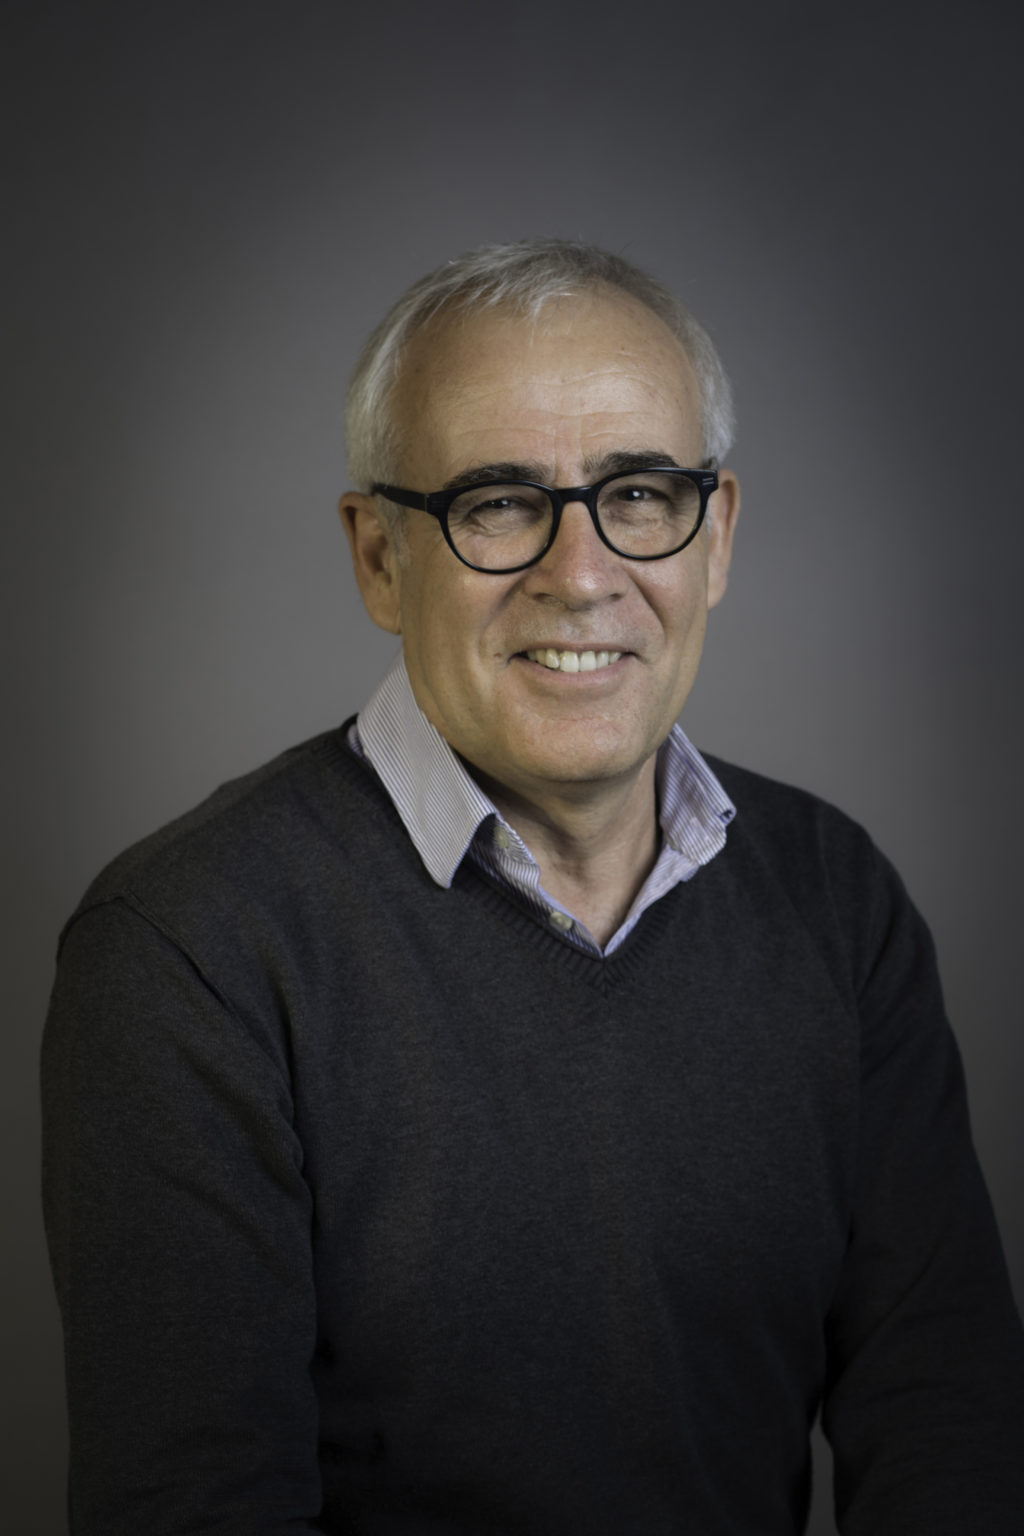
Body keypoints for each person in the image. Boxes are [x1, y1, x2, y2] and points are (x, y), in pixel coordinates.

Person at [42, 239, 1024, 1535]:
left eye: (640, 493)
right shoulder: (189, 952)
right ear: (380, 557)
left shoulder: (836, 900)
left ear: (717, 537)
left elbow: (946, 1416)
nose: (581, 572)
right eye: (499, 502)